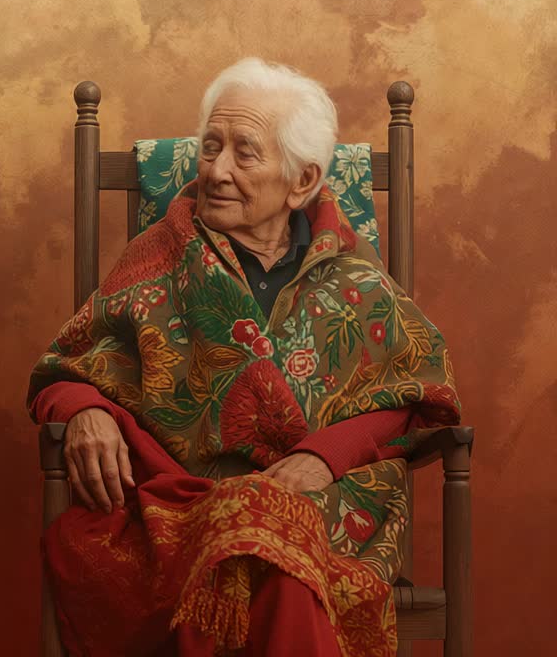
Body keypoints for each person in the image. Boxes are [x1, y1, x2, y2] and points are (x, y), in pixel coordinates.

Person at [27, 58, 459, 656]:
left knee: (276, 554)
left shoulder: (353, 277)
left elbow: (415, 393)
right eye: (211, 147)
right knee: (266, 555)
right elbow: (68, 365)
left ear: (302, 182)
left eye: (245, 152)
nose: (216, 170)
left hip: (320, 508)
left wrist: (323, 456)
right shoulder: (158, 255)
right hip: (177, 510)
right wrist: (84, 410)